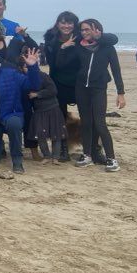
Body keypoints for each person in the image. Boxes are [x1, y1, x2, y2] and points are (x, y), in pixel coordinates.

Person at [58, 19, 125, 172]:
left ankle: (111, 159)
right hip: (81, 89)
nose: (85, 32)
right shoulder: (79, 48)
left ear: (98, 30)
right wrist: (63, 48)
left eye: (88, 29)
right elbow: (62, 64)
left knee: (100, 124)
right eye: (82, 30)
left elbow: (116, 71)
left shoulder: (107, 47)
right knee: (86, 123)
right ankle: (87, 155)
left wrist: (120, 93)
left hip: (98, 89)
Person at [43, 11, 82, 162]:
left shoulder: (81, 38)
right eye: (63, 22)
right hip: (58, 82)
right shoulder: (50, 38)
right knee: (60, 118)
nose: (66, 26)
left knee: (87, 115)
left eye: (70, 23)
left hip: (78, 82)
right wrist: (63, 48)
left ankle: (92, 149)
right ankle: (63, 150)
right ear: (58, 24)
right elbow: (53, 64)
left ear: (75, 24)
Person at [23, 57, 67, 165]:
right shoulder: (24, 79)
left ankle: (55, 157)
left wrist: (38, 94)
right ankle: (46, 156)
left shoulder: (43, 76)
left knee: (56, 134)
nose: (26, 69)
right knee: (40, 134)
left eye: (28, 66)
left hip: (52, 108)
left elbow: (53, 90)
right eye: (24, 67)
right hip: (38, 111)